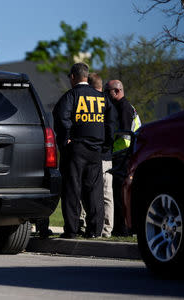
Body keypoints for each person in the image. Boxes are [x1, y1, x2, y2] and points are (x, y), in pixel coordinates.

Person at [53, 63, 115, 239]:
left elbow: (60, 116)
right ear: (86, 77)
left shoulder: (71, 96)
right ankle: (94, 230)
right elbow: (111, 122)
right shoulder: (102, 98)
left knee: (72, 190)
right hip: (96, 151)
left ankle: (72, 230)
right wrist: (105, 144)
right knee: (94, 191)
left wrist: (66, 140)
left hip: (76, 150)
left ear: (73, 77)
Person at [104, 79, 141, 236]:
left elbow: (124, 132)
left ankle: (123, 230)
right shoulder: (124, 106)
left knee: (120, 195)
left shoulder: (123, 108)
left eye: (108, 92)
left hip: (124, 155)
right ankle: (122, 228)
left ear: (117, 91)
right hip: (125, 154)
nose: (106, 95)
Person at [88, 73, 115, 238]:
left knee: (93, 191)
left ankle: (95, 227)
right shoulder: (108, 102)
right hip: (106, 155)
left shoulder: (95, 102)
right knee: (107, 194)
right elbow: (111, 129)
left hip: (97, 153)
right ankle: (107, 229)